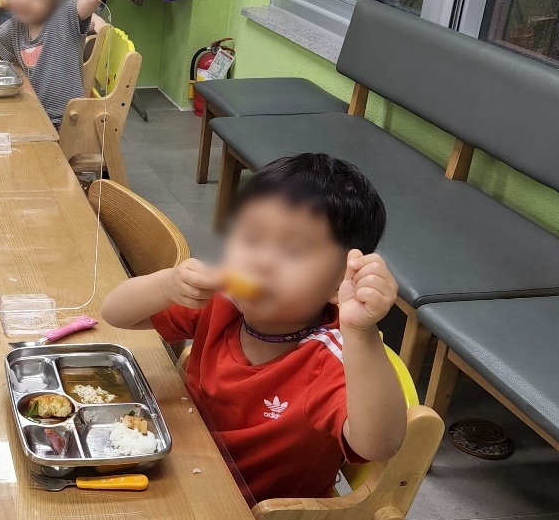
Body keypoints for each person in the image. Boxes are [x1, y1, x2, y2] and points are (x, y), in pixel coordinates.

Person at [100, 153, 408, 502]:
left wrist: (361, 333)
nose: (261, 261)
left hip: (257, 517)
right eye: (251, 238)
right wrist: (167, 285)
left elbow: (379, 444)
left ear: (339, 284)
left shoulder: (331, 357)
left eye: (293, 251)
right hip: (182, 472)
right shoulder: (221, 302)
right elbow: (116, 313)